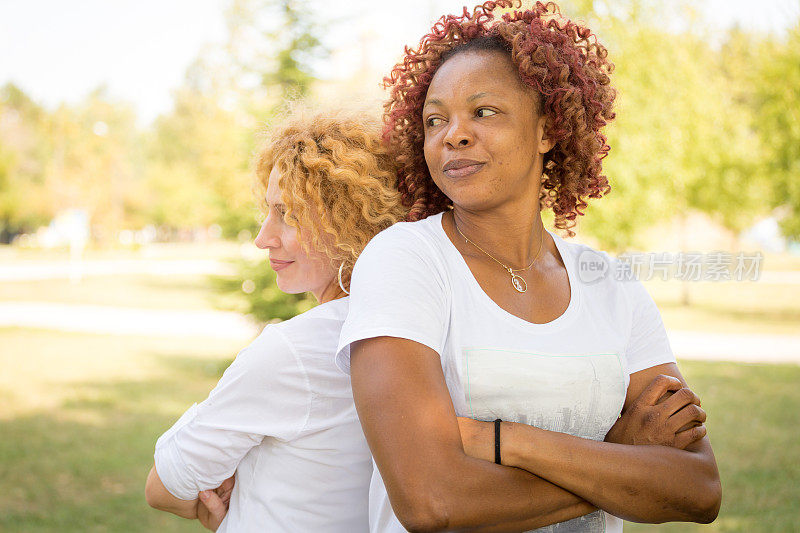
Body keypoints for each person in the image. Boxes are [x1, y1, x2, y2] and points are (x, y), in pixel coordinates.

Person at [337, 2, 721, 531]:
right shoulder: (406, 259)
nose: (453, 134)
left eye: (484, 111)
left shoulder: (609, 284)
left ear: (548, 130)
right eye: (434, 119)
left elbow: (698, 489)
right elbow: (433, 502)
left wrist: (502, 440)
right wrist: (620, 455)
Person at [144, 107, 406, 532]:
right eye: (267, 212)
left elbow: (162, 488)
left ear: (350, 221)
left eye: (289, 215)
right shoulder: (408, 328)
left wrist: (235, 495)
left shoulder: (296, 350)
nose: (263, 237)